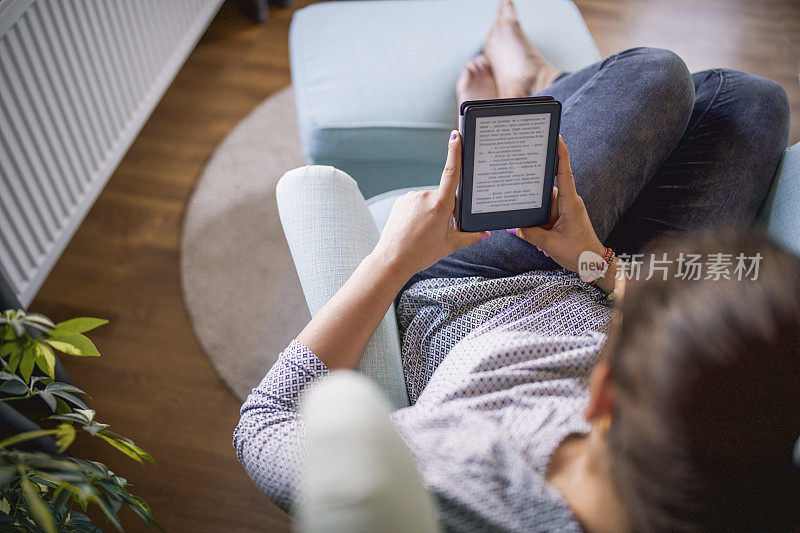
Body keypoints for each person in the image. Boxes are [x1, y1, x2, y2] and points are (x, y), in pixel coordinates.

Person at [234, 0, 798, 530]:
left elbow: (263, 424)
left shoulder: (455, 474)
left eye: (625, 330)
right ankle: (536, 95)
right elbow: (710, 295)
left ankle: (528, 95)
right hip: (579, 267)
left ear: (602, 397)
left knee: (656, 74)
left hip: (483, 296)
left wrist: (395, 255)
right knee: (750, 101)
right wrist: (595, 263)